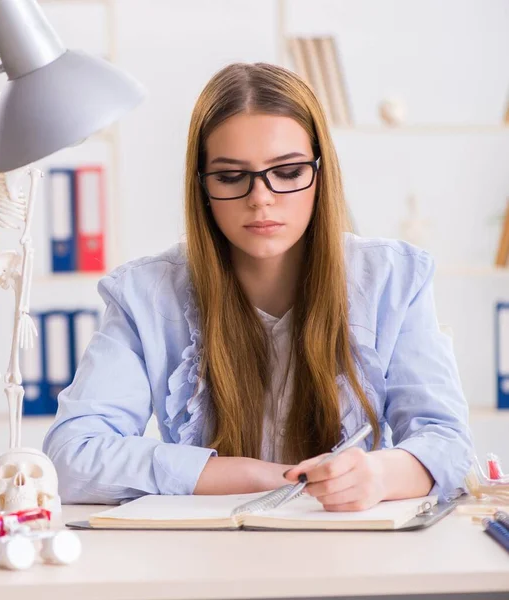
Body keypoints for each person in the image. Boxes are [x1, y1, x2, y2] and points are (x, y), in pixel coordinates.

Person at [43, 62, 473, 511]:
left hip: (351, 547)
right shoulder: (144, 293)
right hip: (208, 559)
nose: (261, 198)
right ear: (203, 188)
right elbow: (72, 458)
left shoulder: (393, 279)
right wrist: (258, 476)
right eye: (231, 177)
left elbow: (448, 444)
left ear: (319, 176)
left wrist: (380, 475)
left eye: (287, 172)